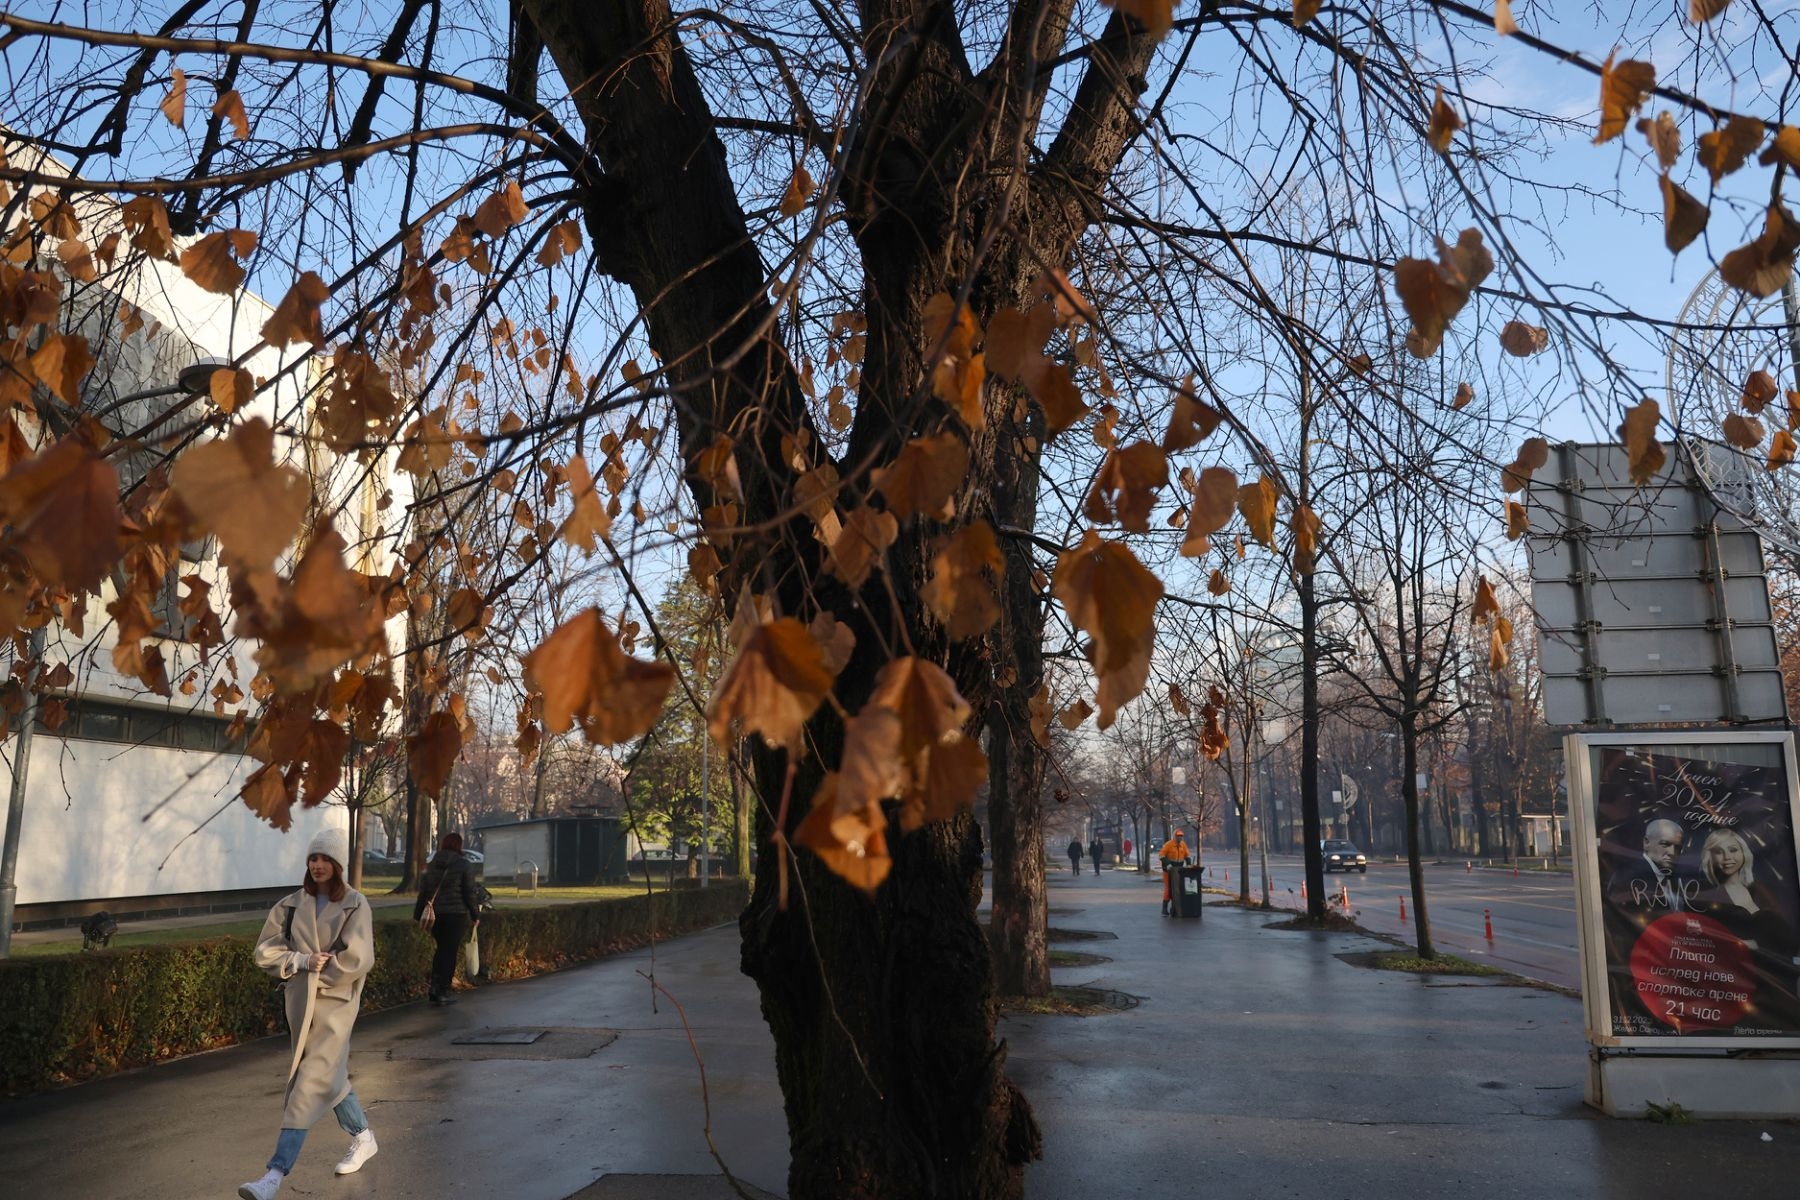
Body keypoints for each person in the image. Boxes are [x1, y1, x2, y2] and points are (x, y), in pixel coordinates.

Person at [239, 828, 376, 1200]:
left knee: (308, 1083)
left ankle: (273, 1176)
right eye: (313, 859)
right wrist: (301, 960)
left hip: (336, 1005)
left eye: (325, 859)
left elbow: (360, 957)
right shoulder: (288, 906)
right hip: (300, 1006)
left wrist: (322, 974)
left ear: (337, 865)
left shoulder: (355, 904)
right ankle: (363, 1137)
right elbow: (264, 952)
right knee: (327, 1079)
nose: (317, 865)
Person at [414, 831, 481, 1005]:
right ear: (459, 846)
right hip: (456, 914)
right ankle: (443, 990)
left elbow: (424, 891)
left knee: (441, 950)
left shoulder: (432, 864)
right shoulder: (463, 865)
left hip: (435, 915)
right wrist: (475, 914)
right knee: (449, 952)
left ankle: (435, 988)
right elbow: (469, 892)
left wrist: (418, 913)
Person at [1605, 818, 1698, 915]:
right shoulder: (1626, 878)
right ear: (1646, 843)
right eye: (1665, 844)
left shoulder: (1677, 877)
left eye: (1678, 847)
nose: (1672, 852)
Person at [1158, 831, 1190, 914]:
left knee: (1177, 890)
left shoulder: (1183, 845)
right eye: (1178, 836)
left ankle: (1174, 908)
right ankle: (1164, 908)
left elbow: (1187, 855)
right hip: (1168, 871)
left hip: (1179, 871)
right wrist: (1167, 863)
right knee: (1169, 889)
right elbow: (1161, 855)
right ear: (1174, 836)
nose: (1180, 837)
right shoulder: (1168, 844)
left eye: (1181, 836)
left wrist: (1189, 864)